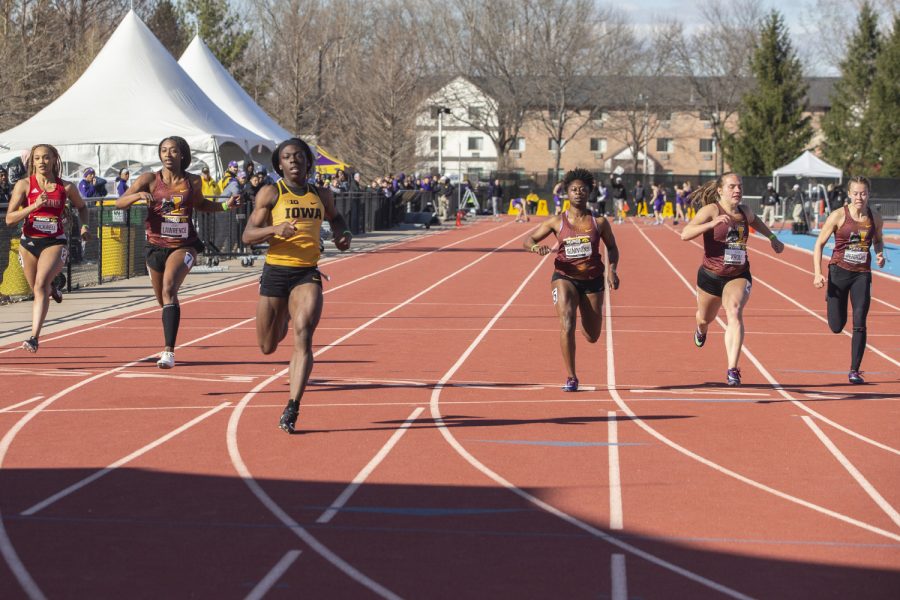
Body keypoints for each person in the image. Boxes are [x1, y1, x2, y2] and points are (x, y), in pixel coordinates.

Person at [241, 137, 352, 434]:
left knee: (304, 332)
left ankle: (292, 406)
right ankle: (284, 314)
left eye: (299, 156)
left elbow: (338, 219)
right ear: (279, 164)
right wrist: (275, 229)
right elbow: (248, 235)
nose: (293, 161)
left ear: (308, 162)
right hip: (276, 271)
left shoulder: (321, 194)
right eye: (287, 157)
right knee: (267, 346)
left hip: (306, 273)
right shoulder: (270, 193)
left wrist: (344, 234)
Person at [116, 136, 238, 368]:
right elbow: (119, 203)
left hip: (184, 245)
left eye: (173, 151)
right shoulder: (149, 179)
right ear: (159, 154)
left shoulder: (193, 181)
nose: (168, 155)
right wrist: (138, 195)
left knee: (169, 288)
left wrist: (224, 205)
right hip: (154, 246)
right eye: (164, 150)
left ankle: (168, 352)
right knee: (164, 300)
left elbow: (201, 205)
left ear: (182, 154)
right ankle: (172, 320)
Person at [680, 172, 784, 386]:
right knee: (704, 318)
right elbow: (685, 233)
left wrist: (772, 237)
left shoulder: (745, 211)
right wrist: (711, 224)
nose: (737, 190)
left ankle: (732, 369)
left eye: (740, 186)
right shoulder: (710, 210)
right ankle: (701, 329)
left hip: (738, 274)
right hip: (710, 275)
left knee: (734, 311)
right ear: (720, 190)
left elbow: (758, 221)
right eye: (732, 187)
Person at [523, 167, 620, 392]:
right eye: (574, 189)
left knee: (593, 335)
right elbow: (527, 240)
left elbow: (613, 248)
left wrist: (612, 270)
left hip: (592, 279)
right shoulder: (556, 222)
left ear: (589, 193)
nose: (578, 193)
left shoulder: (600, 222)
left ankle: (586, 328)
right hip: (564, 276)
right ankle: (571, 376)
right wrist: (536, 247)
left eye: (582, 189)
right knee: (567, 322)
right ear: (566, 193)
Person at [4, 144, 91, 352]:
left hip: (54, 241)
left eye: (46, 158)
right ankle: (54, 285)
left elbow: (82, 206)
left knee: (40, 285)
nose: (42, 162)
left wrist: (85, 226)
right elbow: (9, 219)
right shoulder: (24, 185)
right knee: (36, 287)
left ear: (54, 160)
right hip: (29, 242)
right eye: (37, 158)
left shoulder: (66, 187)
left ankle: (34, 336)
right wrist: (33, 206)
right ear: (32, 162)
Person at [812, 176, 885, 384]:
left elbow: (878, 240)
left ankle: (854, 370)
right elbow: (819, 244)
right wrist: (817, 273)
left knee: (860, 321)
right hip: (838, 273)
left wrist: (879, 254)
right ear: (849, 194)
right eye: (856, 193)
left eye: (863, 193)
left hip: (861, 274)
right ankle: (832, 300)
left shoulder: (875, 217)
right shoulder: (838, 216)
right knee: (837, 325)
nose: (859, 197)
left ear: (868, 194)